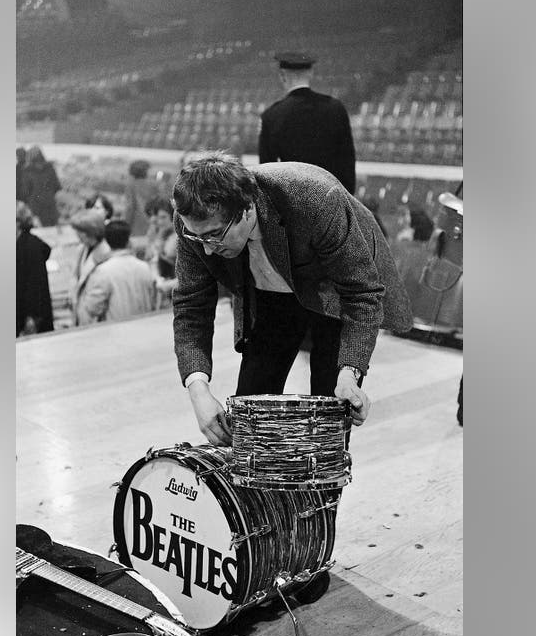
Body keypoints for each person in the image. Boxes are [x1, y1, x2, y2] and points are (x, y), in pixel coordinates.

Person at [171, 152, 412, 446]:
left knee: (329, 421)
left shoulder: (316, 198)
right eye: (199, 239)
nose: (206, 250)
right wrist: (198, 391)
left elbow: (361, 294)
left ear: (247, 209)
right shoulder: (193, 222)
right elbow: (191, 305)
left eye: (214, 237)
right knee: (251, 416)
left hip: (333, 292)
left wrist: (350, 374)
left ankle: (324, 492)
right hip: (269, 296)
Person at [258, 52, 357, 194]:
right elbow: (347, 160)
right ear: (310, 73)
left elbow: (266, 173)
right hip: (332, 198)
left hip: (293, 201)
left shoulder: (271, 116)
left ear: (282, 75)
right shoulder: (336, 108)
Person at [76, 220, 156, 324]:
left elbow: (93, 308)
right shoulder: (144, 267)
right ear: (128, 241)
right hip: (146, 327)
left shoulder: (103, 271)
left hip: (117, 331)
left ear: (107, 242)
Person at [16, 201, 54, 336]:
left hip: (29, 320)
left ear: (18, 222)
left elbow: (36, 288)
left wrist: (31, 319)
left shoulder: (31, 247)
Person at [69, 209, 110, 326]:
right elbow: (75, 276)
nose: (77, 235)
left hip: (96, 315)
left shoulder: (105, 251)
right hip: (80, 311)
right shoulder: (82, 249)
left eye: (79, 231)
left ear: (90, 231)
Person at [143, 197, 178, 308]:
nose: (159, 222)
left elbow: (166, 254)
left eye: (163, 217)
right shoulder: (156, 234)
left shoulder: (176, 238)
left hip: (174, 291)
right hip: (162, 292)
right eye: (156, 218)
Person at [19, 146, 62, 227]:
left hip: (36, 206)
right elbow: (57, 186)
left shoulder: (27, 170)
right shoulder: (50, 168)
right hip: (50, 205)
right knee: (51, 230)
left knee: (39, 232)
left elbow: (25, 192)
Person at [124, 159, 160, 234]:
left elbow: (130, 207)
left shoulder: (131, 185)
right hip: (153, 224)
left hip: (136, 225)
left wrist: (125, 225)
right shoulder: (154, 185)